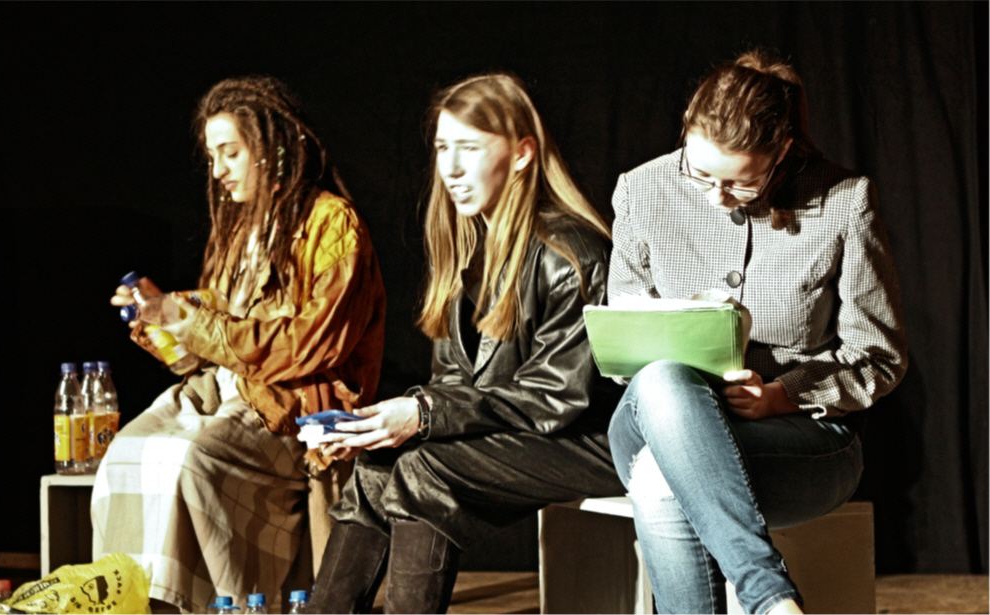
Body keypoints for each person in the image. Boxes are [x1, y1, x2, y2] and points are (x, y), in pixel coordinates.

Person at [300, 72, 624, 613]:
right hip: (526, 431)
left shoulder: (572, 254)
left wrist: (423, 415)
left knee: (424, 469)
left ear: (522, 154)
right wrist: (379, 427)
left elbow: (555, 399)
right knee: (380, 462)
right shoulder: (469, 249)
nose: (450, 168)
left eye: (469, 148)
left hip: (592, 441)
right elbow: (454, 381)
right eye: (442, 148)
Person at [606, 49, 908, 614]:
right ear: (686, 131)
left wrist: (781, 395)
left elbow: (879, 357)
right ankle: (770, 595)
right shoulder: (641, 191)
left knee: (659, 478)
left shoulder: (844, 201)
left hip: (799, 440)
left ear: (782, 151)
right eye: (700, 175)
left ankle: (767, 598)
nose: (717, 198)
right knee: (663, 379)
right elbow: (625, 345)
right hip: (654, 417)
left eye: (741, 185)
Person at [91, 76, 386, 613]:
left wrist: (188, 318)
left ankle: (229, 606)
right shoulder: (240, 231)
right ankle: (131, 603)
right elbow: (206, 347)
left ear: (273, 151)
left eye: (230, 153)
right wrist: (157, 317)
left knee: (190, 460)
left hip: (289, 407)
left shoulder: (333, 225)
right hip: (222, 392)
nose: (218, 171)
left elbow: (309, 344)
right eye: (212, 157)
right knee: (126, 454)